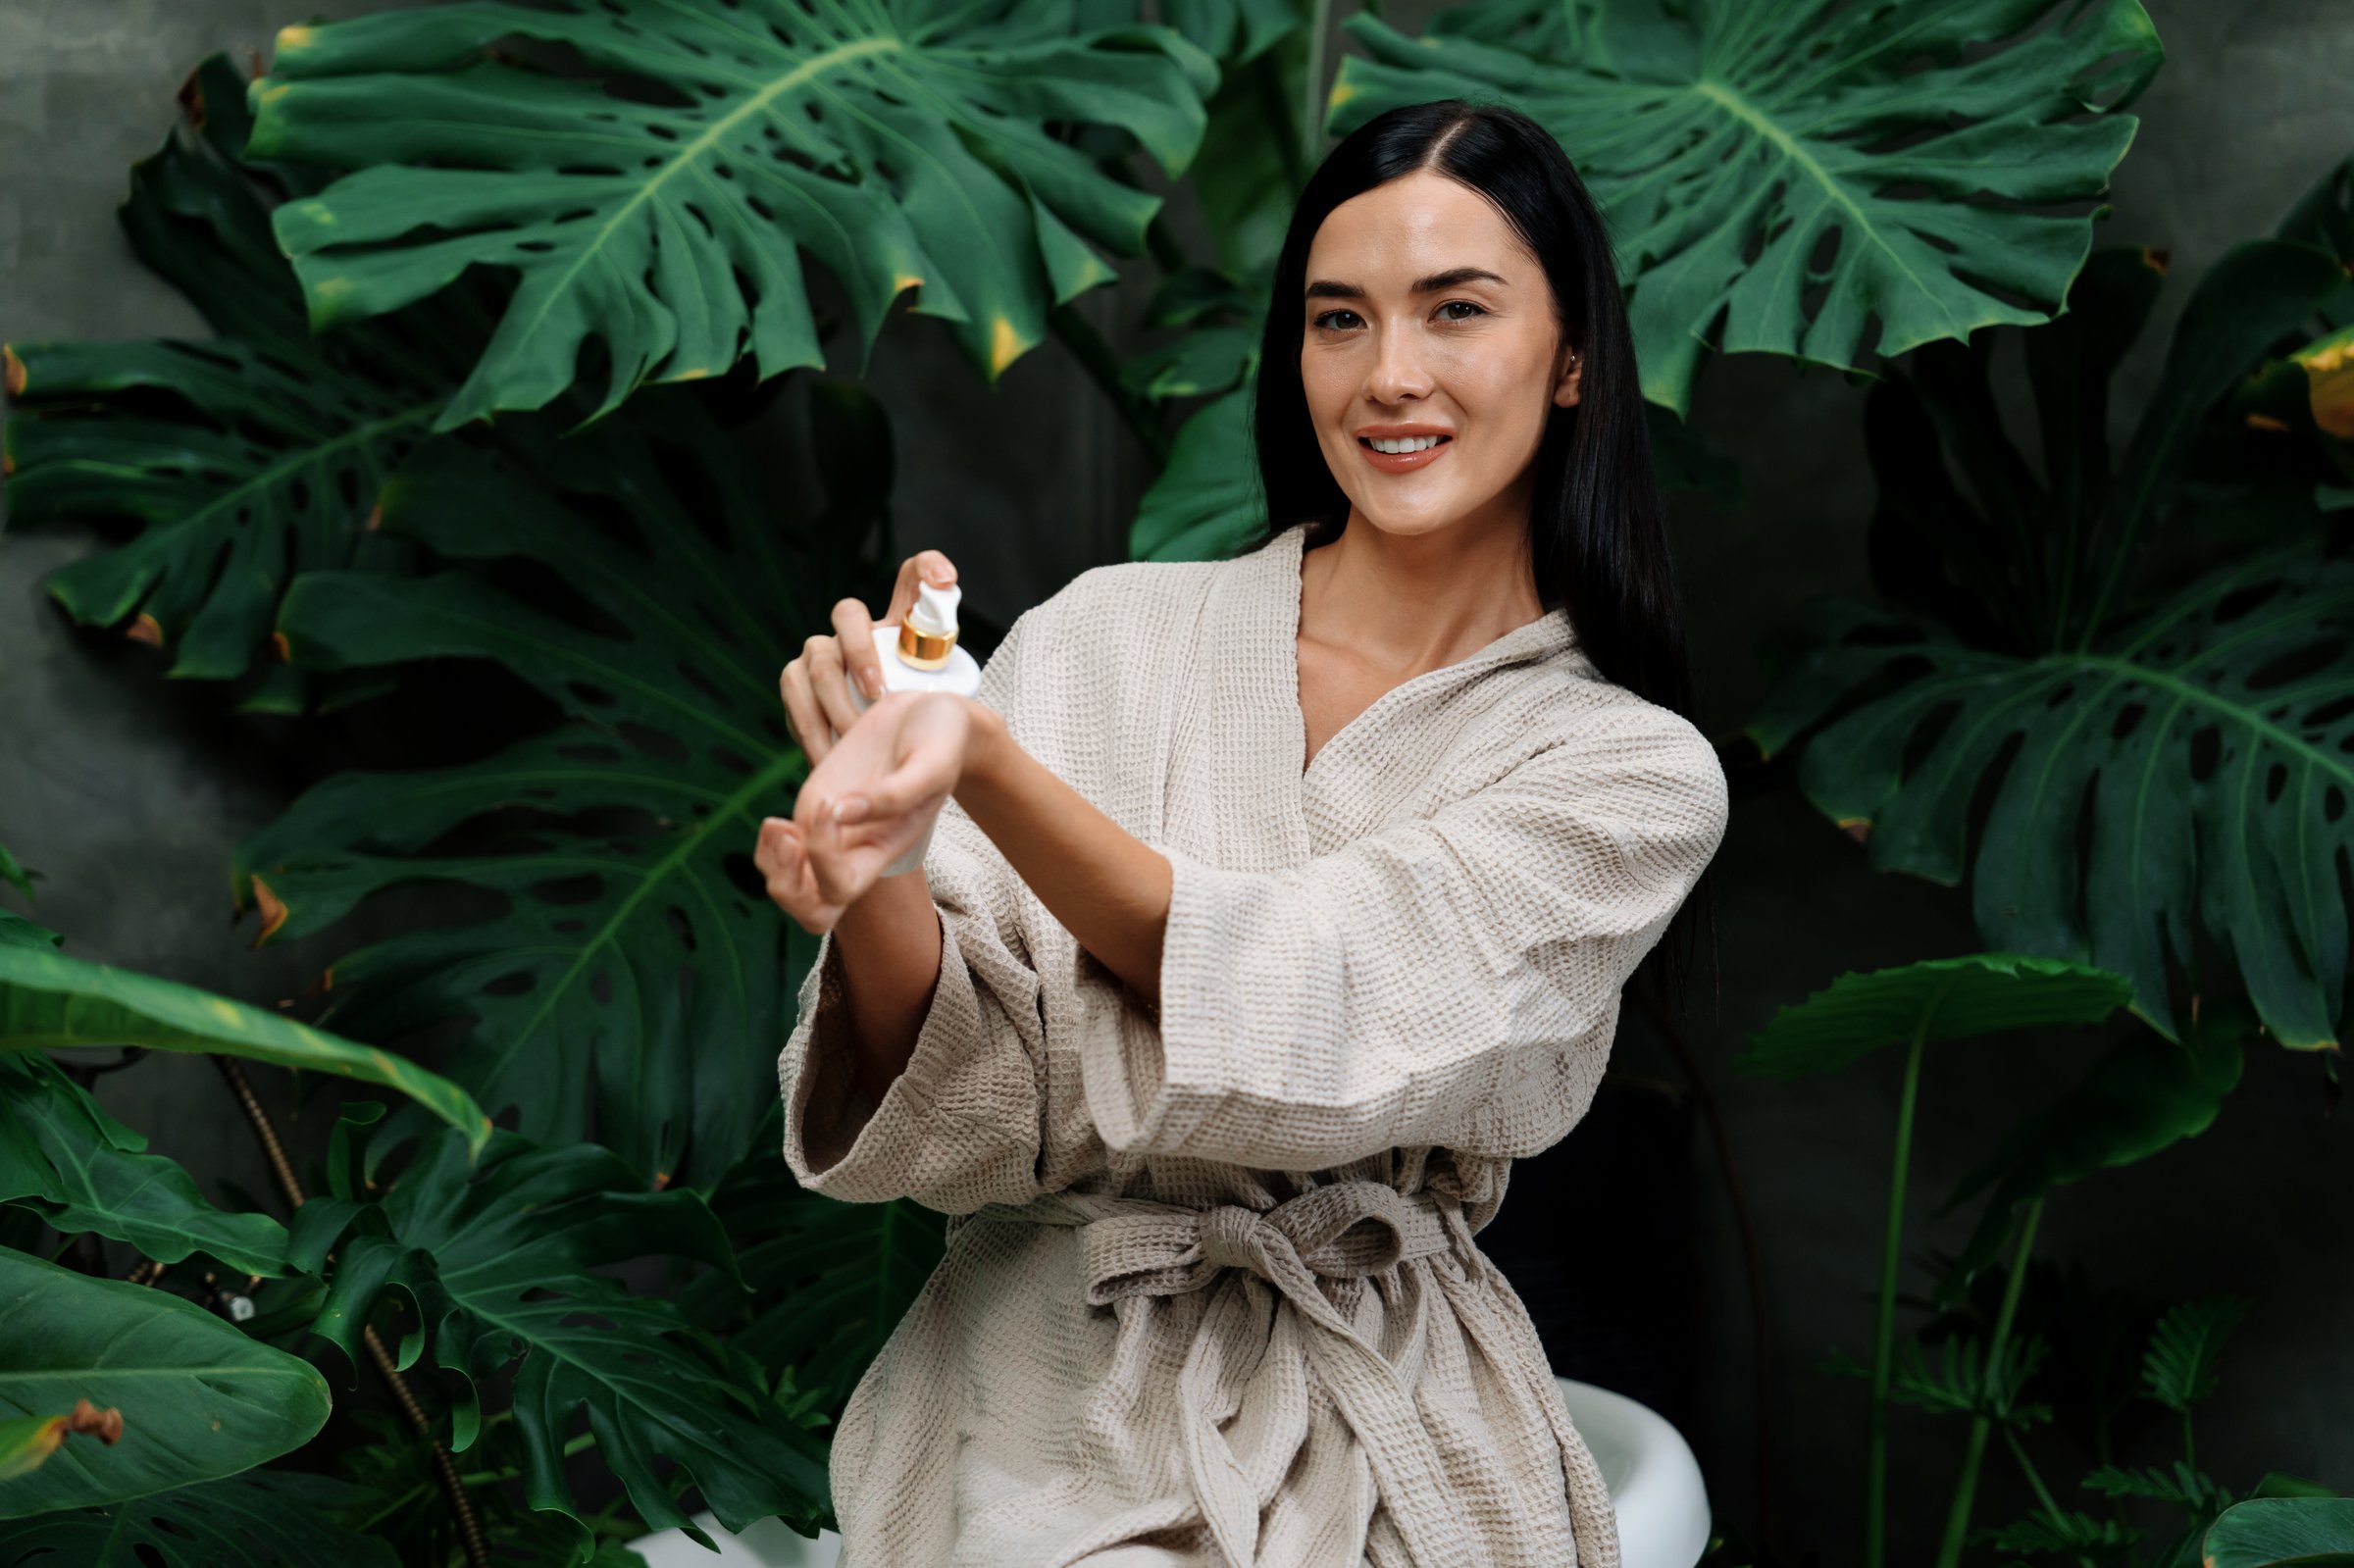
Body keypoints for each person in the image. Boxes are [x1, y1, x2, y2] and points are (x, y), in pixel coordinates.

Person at [755, 98, 1729, 1568]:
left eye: (1455, 311)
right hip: (1044, 1384)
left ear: (1575, 352)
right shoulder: (1104, 638)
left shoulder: (1626, 774)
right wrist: (885, 879)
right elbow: (970, 1110)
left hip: (1381, 1391)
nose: (1390, 376)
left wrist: (981, 767)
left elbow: (1327, 990)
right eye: (1340, 321)